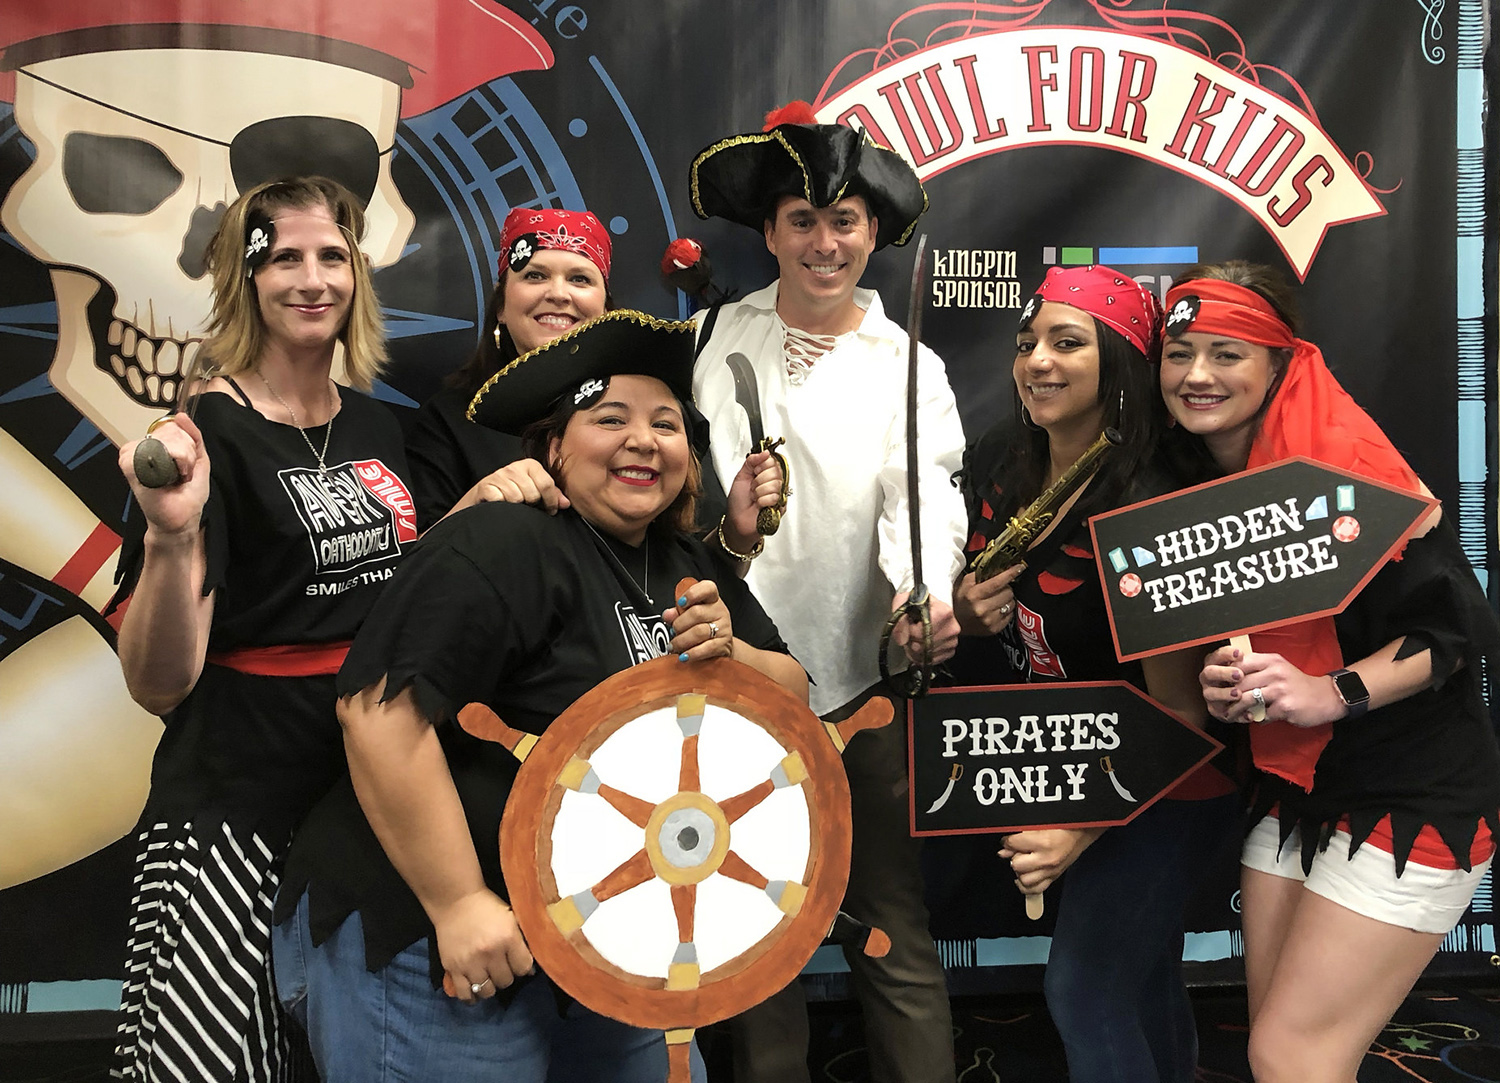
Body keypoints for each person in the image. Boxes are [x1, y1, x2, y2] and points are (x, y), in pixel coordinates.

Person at [271, 310, 807, 1082]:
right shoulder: (504, 541)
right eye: (610, 418)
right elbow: (376, 711)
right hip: (427, 932)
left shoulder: (687, 561)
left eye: (665, 424)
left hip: (598, 941)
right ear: (554, 446)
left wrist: (735, 653)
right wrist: (459, 902)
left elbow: (793, 698)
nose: (642, 439)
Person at [1161, 261, 1500, 1083]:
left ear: (1279, 361)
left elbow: (1454, 632)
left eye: (1227, 353)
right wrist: (1225, 682)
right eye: (1179, 353)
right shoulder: (1191, 472)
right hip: (1296, 786)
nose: (1198, 374)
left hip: (1410, 788)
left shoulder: (1348, 463)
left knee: (1291, 1053)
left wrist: (1331, 690)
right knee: (1284, 1052)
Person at [685, 101, 967, 1083]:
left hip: (861, 690)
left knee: (889, 925)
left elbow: (922, 489)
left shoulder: (908, 365)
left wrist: (923, 593)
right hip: (732, 684)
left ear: (872, 232)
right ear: (768, 233)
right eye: (801, 220)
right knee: (757, 936)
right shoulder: (706, 340)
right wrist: (723, 529)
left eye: (843, 220)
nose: (823, 242)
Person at [109, 176, 412, 1082]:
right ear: (247, 279)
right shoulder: (205, 434)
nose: (312, 279)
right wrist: (171, 535)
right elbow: (158, 683)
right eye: (284, 258)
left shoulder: (381, 427)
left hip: (361, 810)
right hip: (233, 818)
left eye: (332, 256)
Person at [944, 265, 1239, 1083]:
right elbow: (979, 601)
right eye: (1027, 342)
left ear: (1119, 363)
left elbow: (1181, 712)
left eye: (1067, 342)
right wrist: (968, 609)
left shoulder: (1152, 500)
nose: (1037, 360)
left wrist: (1079, 828)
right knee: (1141, 973)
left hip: (1172, 776)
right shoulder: (1005, 459)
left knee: (1086, 990)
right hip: (1080, 758)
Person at [405, 207, 614, 530]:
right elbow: (419, 555)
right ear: (500, 305)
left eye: (579, 279)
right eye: (535, 275)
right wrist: (476, 502)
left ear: (605, 307)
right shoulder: (448, 421)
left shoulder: (650, 410)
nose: (558, 294)